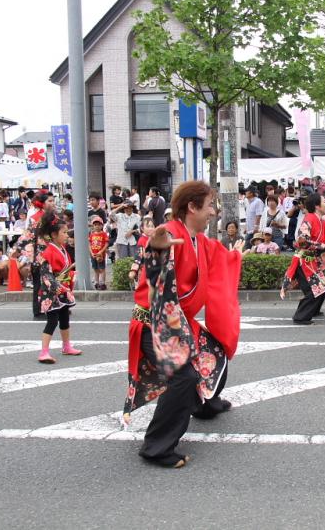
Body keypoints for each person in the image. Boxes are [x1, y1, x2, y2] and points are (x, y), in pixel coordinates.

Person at [123, 180, 243, 469]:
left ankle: (204, 405)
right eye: (209, 206)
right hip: (155, 324)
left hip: (179, 323)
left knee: (213, 352)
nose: (213, 212)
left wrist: (236, 256)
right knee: (183, 378)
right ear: (192, 207)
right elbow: (151, 264)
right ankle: (156, 447)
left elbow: (219, 258)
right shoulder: (170, 235)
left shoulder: (197, 239)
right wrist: (156, 250)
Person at [35, 212, 81, 364]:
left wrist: (71, 275)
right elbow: (46, 276)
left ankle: (66, 346)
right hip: (52, 291)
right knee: (52, 321)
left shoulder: (63, 249)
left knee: (64, 318)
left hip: (62, 289)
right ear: (54, 234)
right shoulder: (48, 252)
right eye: (64, 232)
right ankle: (44, 352)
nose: (67, 235)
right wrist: (59, 287)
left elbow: (66, 269)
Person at [281, 192, 325, 324]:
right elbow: (302, 240)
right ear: (316, 206)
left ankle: (313, 310)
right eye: (323, 201)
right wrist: (324, 246)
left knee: (323, 286)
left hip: (310, 260)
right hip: (303, 260)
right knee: (313, 290)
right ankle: (301, 317)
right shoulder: (310, 219)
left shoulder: (318, 220)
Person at [128, 217, 155, 284]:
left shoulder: (155, 239)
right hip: (144, 270)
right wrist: (133, 270)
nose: (151, 228)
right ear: (142, 228)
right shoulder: (142, 240)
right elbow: (138, 257)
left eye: (152, 226)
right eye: (148, 226)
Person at [89, 216, 109, 290]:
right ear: (93, 226)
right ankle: (96, 282)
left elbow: (106, 243)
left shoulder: (103, 234)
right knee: (95, 268)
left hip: (101, 255)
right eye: (95, 225)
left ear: (102, 225)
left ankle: (102, 283)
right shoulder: (92, 234)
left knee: (102, 269)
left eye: (99, 224)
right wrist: (91, 253)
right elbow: (89, 244)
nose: (97, 226)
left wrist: (101, 251)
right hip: (93, 254)